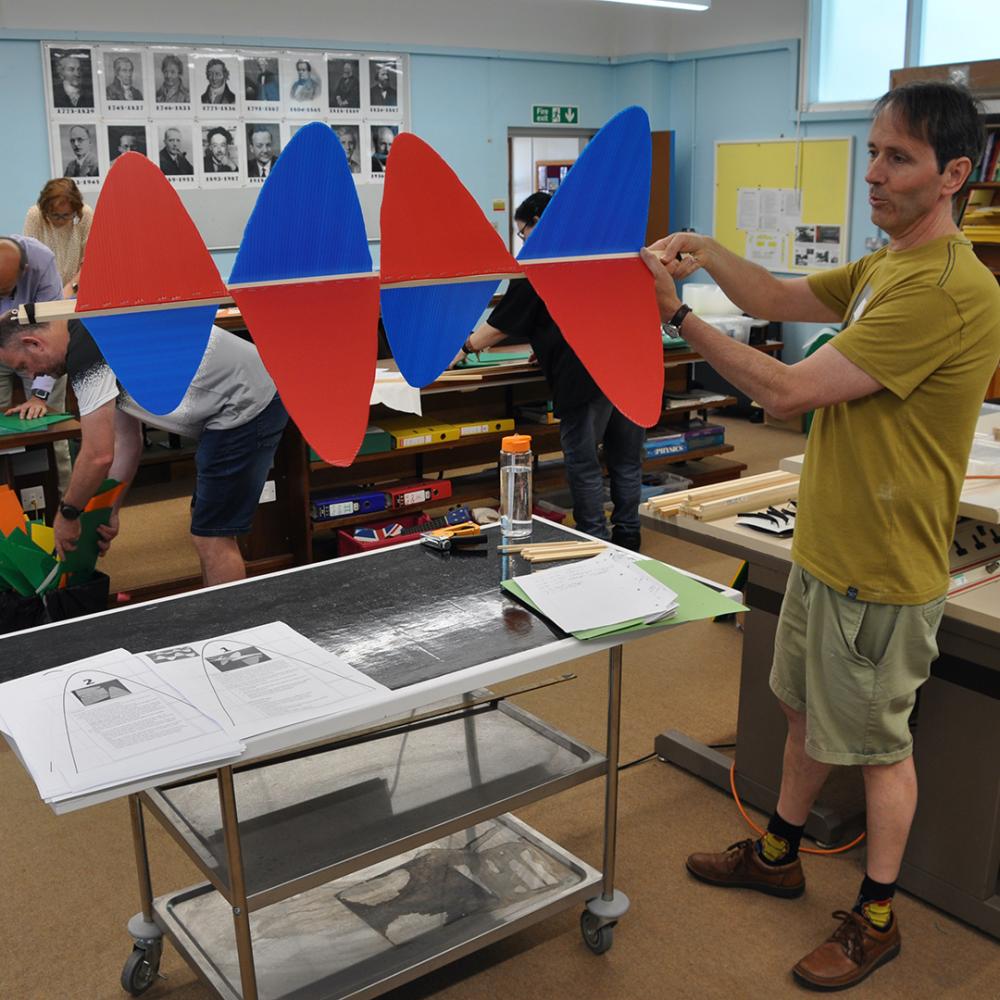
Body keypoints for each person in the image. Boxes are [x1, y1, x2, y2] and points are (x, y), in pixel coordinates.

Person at [640, 82, 1000, 992]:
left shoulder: (948, 289)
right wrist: (706, 250)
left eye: (898, 158)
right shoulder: (888, 265)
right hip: (829, 546)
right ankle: (778, 854)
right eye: (872, 151)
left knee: (880, 748)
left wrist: (677, 315)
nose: (873, 173)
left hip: (882, 566)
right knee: (803, 714)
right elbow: (775, 292)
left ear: (955, 173)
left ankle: (877, 917)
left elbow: (787, 391)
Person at [0, 315, 289, 587]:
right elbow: (125, 442)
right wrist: (109, 510)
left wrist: (68, 514)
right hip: (234, 402)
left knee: (212, 535)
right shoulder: (91, 335)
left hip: (246, 401)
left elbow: (98, 455)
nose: (34, 375)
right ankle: (219, 609)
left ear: (33, 343)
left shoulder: (86, 352)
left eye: (24, 366)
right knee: (207, 526)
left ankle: (231, 621)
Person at [458, 191, 645, 550]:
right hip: (630, 366)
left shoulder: (542, 259)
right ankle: (628, 535)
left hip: (585, 374)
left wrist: (465, 347)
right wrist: (546, 345)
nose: (523, 241)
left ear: (538, 222)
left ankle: (595, 541)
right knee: (626, 459)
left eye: (523, 232)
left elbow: (502, 323)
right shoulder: (599, 248)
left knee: (583, 462)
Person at [0, 235, 65, 443]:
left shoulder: (42, 262)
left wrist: (40, 396)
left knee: (51, 428)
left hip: (36, 351)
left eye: (4, 291)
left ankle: (60, 467)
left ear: (24, 271)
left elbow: (52, 337)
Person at [23, 178, 92, 292]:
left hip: (77, 287)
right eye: (55, 215)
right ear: (45, 210)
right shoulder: (35, 215)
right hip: (42, 287)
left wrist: (71, 288)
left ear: (75, 211)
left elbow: (89, 260)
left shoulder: (84, 214)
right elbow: (30, 260)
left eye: (66, 215)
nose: (60, 220)